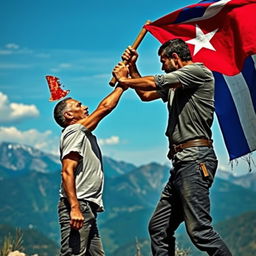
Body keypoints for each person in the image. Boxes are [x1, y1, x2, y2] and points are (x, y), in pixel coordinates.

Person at [112, 38, 232, 256]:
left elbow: (153, 82)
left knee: (199, 231)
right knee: (159, 227)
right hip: (182, 163)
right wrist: (132, 68)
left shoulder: (197, 72)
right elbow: (146, 95)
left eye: (163, 61)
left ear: (175, 58)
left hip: (195, 161)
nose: (161, 66)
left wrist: (124, 80)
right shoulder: (177, 85)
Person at [53, 84, 127, 256]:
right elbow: (67, 172)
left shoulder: (81, 134)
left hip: (87, 207)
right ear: (69, 115)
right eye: (79, 105)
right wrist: (122, 85)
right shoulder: (73, 131)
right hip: (79, 205)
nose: (85, 107)